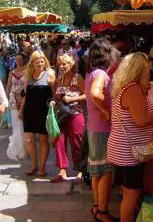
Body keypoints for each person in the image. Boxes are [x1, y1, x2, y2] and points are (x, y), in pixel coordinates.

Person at [108, 52, 153, 222]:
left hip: (122, 148)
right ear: (140, 69)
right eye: (146, 67)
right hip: (129, 152)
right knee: (132, 193)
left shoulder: (125, 87)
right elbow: (142, 120)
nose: (149, 70)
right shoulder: (133, 89)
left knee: (127, 191)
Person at [85, 38, 114, 222]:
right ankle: (103, 211)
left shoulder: (91, 73)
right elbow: (95, 94)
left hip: (94, 126)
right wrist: (107, 110)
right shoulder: (101, 74)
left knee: (97, 170)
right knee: (105, 171)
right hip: (102, 128)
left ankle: (97, 206)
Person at [19, 51, 56, 177]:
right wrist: (20, 110)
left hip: (44, 112)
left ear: (45, 61)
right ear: (32, 63)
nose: (40, 63)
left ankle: (42, 167)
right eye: (37, 61)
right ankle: (34, 165)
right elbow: (25, 94)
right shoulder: (28, 75)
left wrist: (53, 106)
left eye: (42, 61)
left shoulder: (50, 74)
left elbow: (54, 94)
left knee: (43, 140)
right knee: (29, 140)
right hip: (29, 111)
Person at [50, 54, 86, 183]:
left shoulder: (78, 78)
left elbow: (87, 95)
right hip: (62, 114)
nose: (62, 66)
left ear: (71, 65)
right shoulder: (59, 79)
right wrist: (54, 101)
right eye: (60, 64)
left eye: (65, 64)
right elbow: (57, 96)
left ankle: (81, 169)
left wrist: (73, 98)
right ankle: (62, 170)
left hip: (76, 114)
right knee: (59, 140)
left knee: (76, 140)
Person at [6, 53, 27, 161]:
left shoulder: (27, 71)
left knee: (23, 122)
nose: (18, 61)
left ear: (24, 60)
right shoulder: (12, 72)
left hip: (24, 100)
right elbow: (9, 86)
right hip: (13, 99)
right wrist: (6, 100)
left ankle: (25, 147)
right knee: (16, 123)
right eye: (17, 59)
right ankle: (18, 147)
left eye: (20, 59)